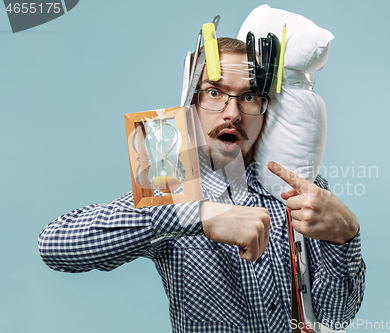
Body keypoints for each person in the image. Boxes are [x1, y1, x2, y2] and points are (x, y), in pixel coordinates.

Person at [39, 37, 365, 333]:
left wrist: (347, 237)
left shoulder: (301, 186)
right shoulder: (172, 187)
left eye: (249, 96)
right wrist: (198, 215)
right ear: (191, 104)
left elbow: (336, 316)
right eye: (214, 93)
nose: (232, 113)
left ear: (267, 110)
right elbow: (55, 246)